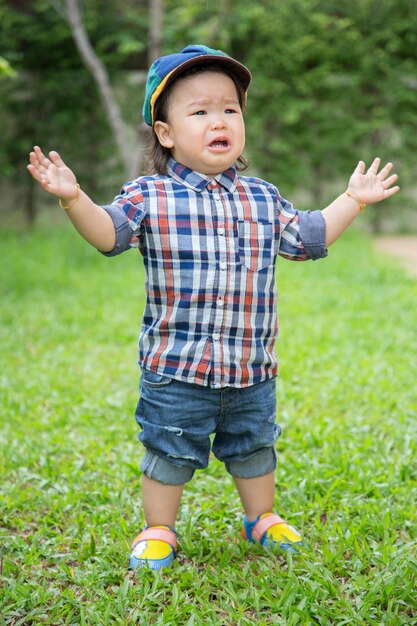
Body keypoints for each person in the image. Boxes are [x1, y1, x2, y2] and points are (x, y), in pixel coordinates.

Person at [27, 44, 400, 571]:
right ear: (166, 133)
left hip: (250, 367)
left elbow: (311, 237)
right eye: (199, 111)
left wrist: (353, 199)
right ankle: (159, 528)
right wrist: (73, 199)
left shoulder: (263, 198)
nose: (219, 119)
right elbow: (108, 235)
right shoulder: (148, 196)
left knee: (254, 447)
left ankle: (261, 518)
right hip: (176, 368)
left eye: (230, 109)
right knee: (169, 450)